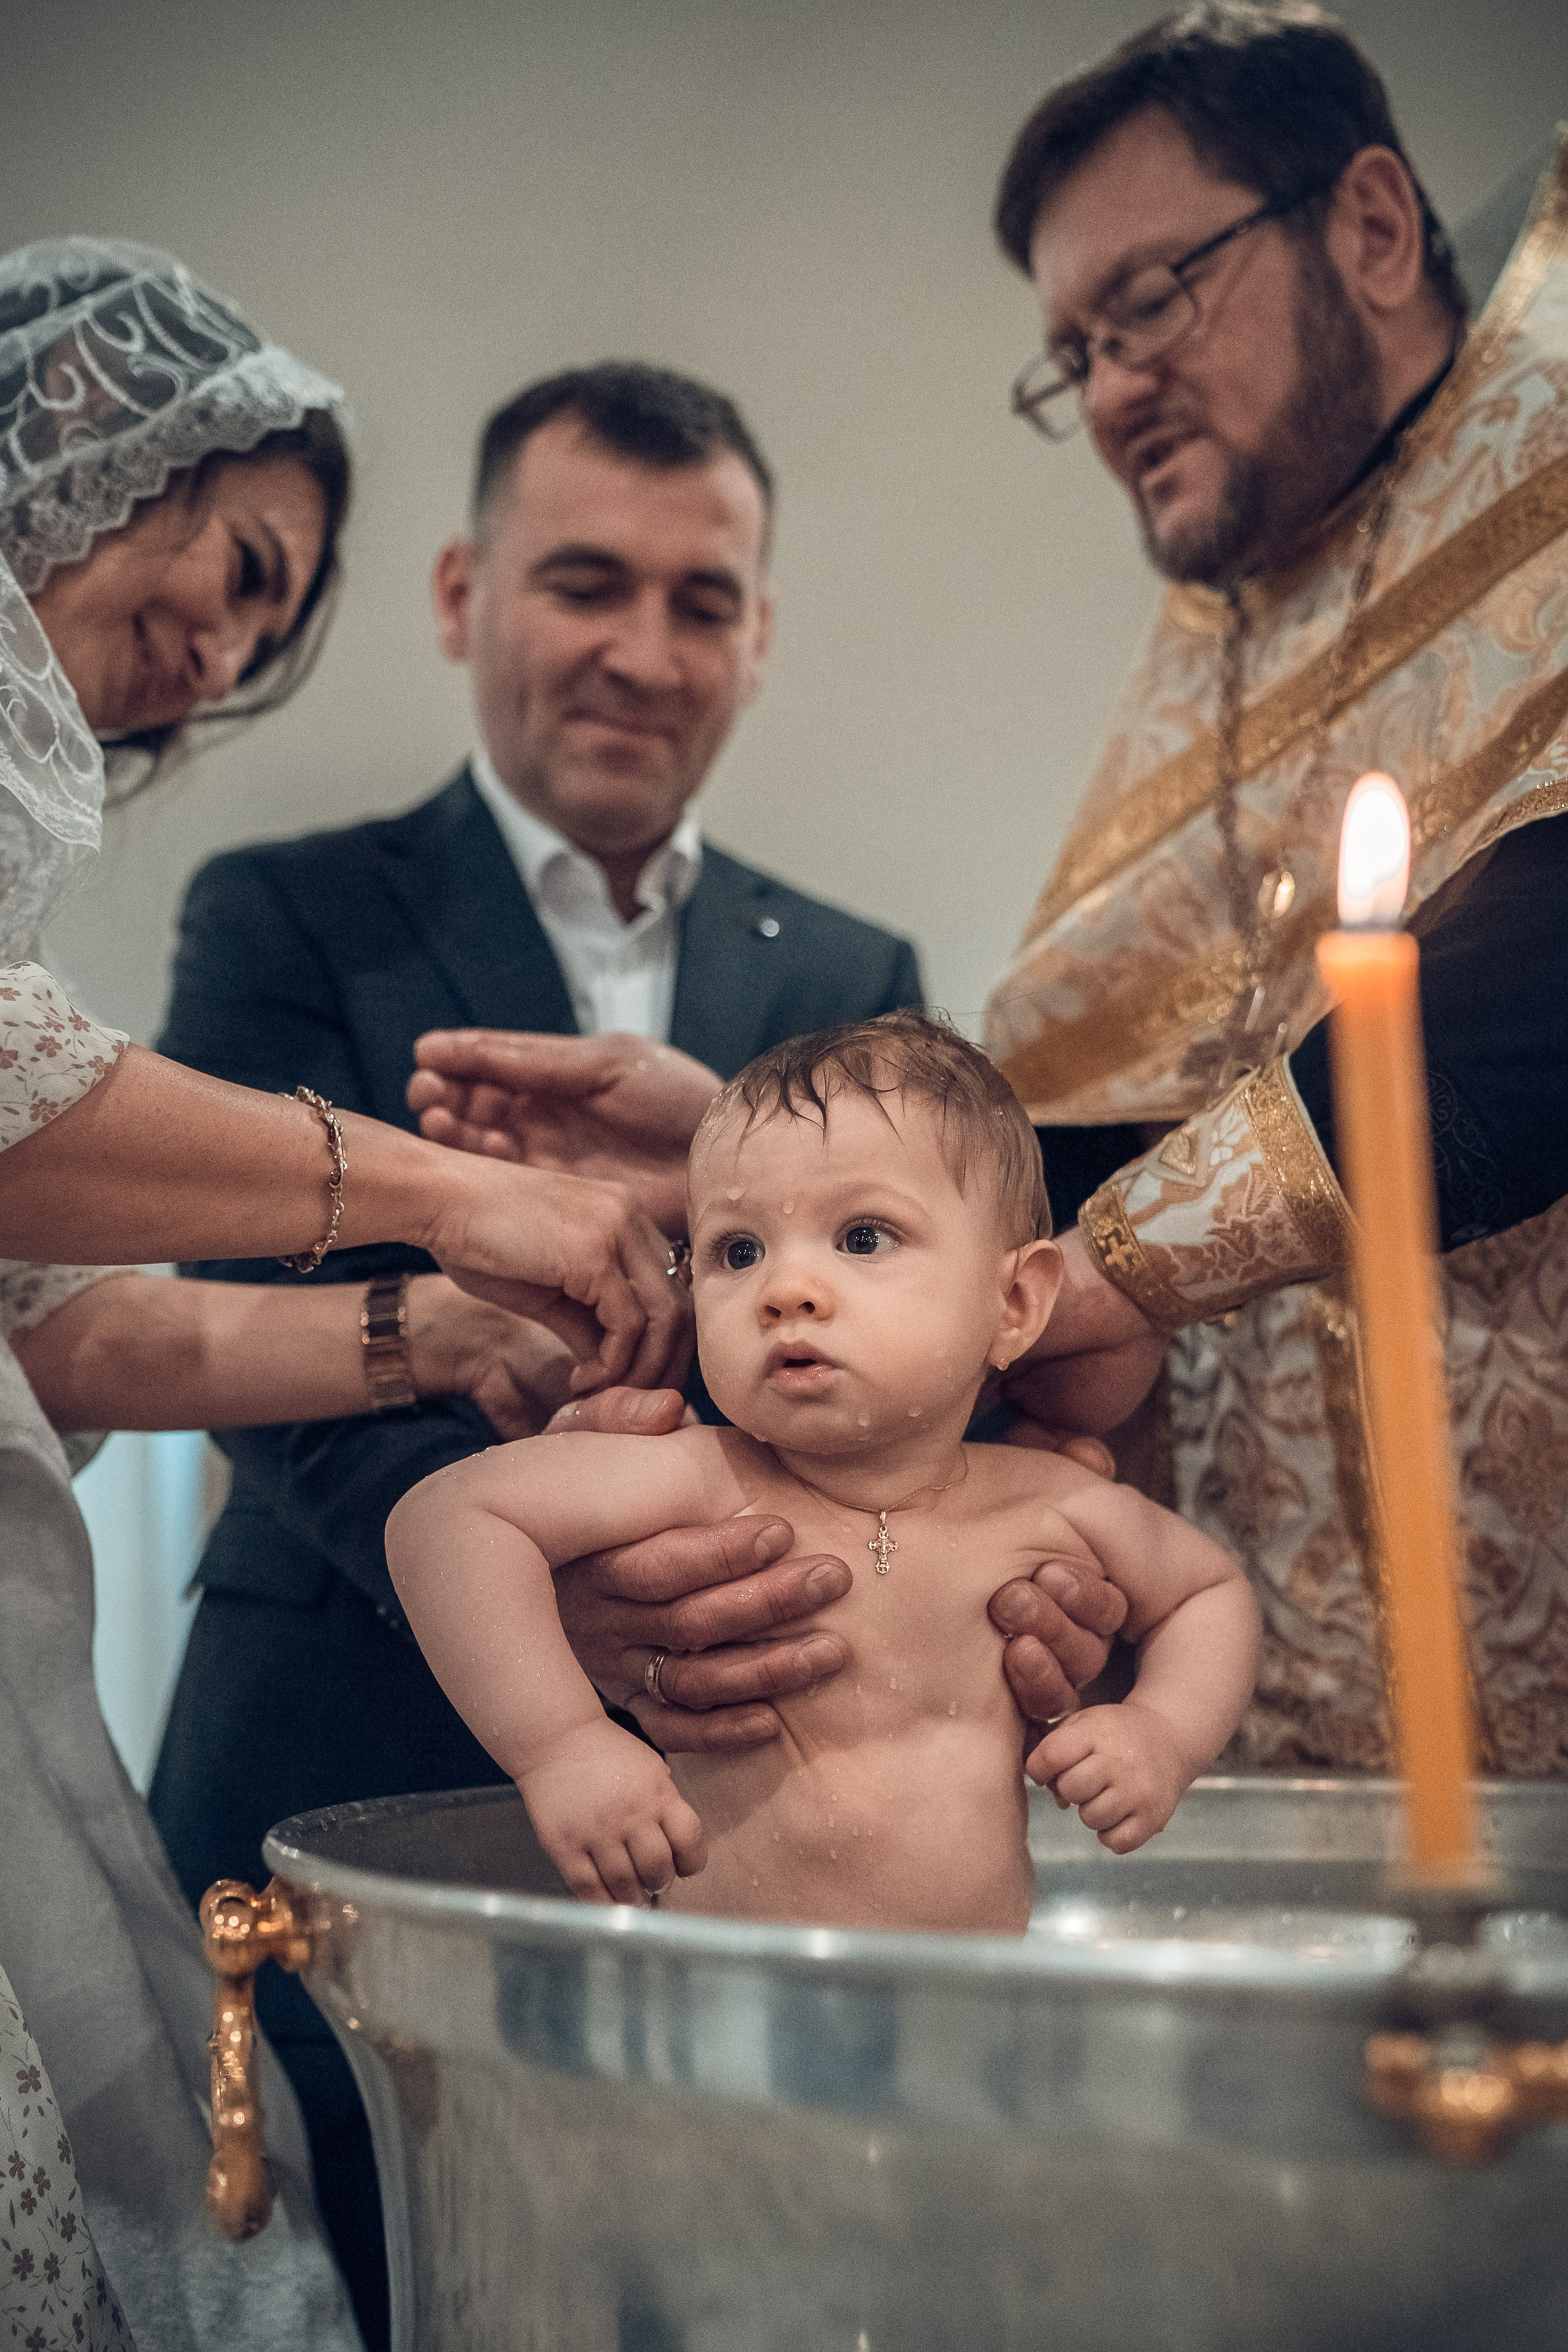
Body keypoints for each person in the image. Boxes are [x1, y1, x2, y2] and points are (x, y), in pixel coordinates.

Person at [417, 6, 1568, 1782]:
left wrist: (1089, 1277)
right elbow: (1149, 1108)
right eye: (1073, 352)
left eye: (1154, 301)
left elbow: (1527, 1000)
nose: (1108, 392)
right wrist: (778, 1157)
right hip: (1266, 1726)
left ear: (1375, 226)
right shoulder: (1230, 654)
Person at [146, 358, 921, 2329]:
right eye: (586, 583)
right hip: (332, 1748)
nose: (643, 652)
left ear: (760, 639)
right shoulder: (288, 912)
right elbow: (264, 1330)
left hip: (737, 1791)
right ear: (459, 594)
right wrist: (538, 1608)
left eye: (703, 600)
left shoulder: (851, 977)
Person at [0, 239, 683, 2352]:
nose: (214, 650)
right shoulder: (294, 907)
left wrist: (440, 1334)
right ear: (89, 443)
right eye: (234, 559)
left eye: (271, 621)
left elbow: (62, 1330)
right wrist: (461, 1205)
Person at [388, 1016, 1259, 1928]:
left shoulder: (1051, 1503)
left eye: (864, 1237)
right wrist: (562, 1747)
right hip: (731, 2017)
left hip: (963, 2020)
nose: (784, 1288)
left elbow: (1207, 1592)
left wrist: (1162, 1731)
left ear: (1015, 1302)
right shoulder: (701, 1480)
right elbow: (447, 1521)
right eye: (737, 1250)